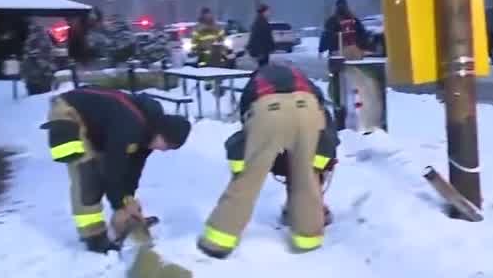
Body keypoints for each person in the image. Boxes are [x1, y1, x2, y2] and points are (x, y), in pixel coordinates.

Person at [197, 63, 338, 259]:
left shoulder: (255, 83)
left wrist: (245, 163)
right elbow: (326, 124)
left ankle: (218, 240)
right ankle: (308, 238)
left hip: (267, 110)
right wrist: (319, 162)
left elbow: (246, 126)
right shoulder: (305, 81)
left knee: (249, 179)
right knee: (306, 176)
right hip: (309, 108)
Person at [42, 86, 192, 253]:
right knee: (88, 174)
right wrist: (120, 204)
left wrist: (128, 201)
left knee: (114, 179)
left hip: (95, 125)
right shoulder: (130, 125)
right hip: (68, 112)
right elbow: (113, 168)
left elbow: (132, 170)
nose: (164, 150)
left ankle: (127, 220)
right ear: (161, 133)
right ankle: (93, 236)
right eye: (167, 145)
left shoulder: (147, 136)